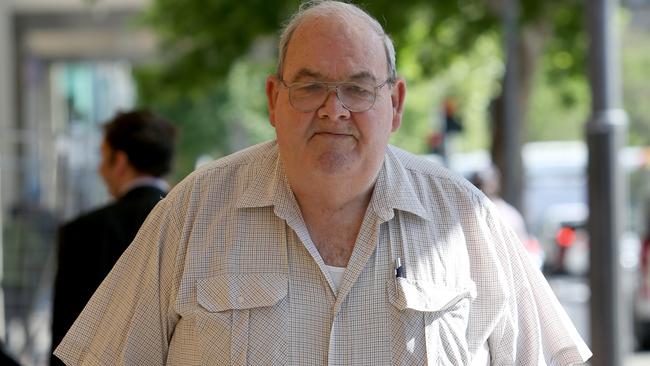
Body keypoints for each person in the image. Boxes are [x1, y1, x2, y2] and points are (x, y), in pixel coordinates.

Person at [54, 1, 592, 364]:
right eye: (310, 87)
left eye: (358, 89)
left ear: (395, 103)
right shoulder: (192, 212)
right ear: (273, 100)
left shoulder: (465, 219)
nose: (334, 110)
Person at [50, 110, 177, 365]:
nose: (99, 168)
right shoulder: (191, 224)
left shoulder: (82, 231)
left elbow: (65, 335)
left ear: (120, 160)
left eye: (102, 155)